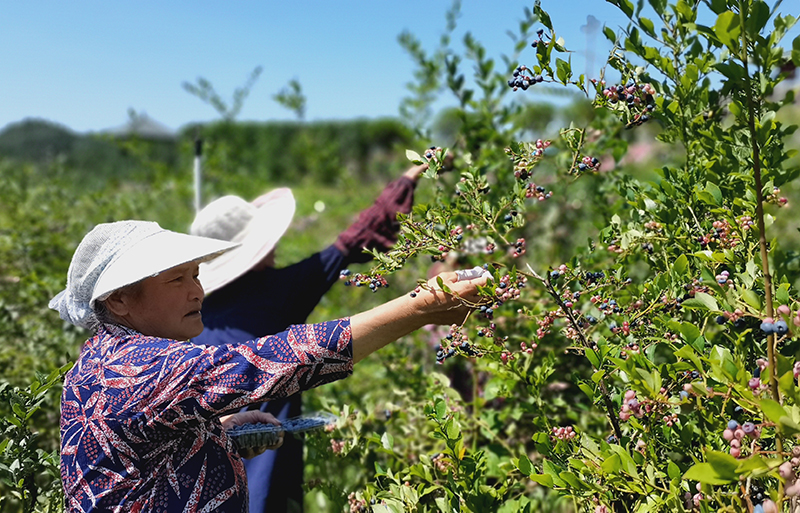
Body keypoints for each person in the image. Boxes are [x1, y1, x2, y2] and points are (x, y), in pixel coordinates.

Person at [50, 219, 485, 512]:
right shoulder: (137, 368)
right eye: (176, 280)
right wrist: (421, 308)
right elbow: (268, 362)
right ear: (119, 300)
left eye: (195, 274)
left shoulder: (98, 362)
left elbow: (139, 457)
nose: (196, 291)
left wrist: (220, 436)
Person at [188, 160, 433, 513]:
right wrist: (406, 182)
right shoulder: (278, 294)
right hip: (263, 479)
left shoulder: (190, 316)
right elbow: (351, 243)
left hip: (202, 486)